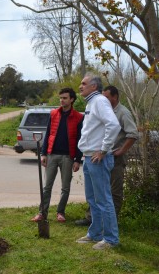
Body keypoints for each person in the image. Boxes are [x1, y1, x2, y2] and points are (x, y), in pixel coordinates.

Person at [75, 85, 138, 226]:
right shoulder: (101, 108)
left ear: (115, 97)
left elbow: (133, 134)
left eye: (107, 97)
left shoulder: (123, 112)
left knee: (113, 191)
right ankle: (92, 219)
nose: (104, 99)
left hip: (114, 156)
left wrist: (121, 150)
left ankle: (111, 222)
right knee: (96, 191)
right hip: (99, 156)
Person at [76, 73, 121, 250]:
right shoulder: (91, 103)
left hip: (98, 159)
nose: (80, 86)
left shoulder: (100, 101)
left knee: (103, 200)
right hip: (88, 157)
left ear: (94, 86)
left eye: (84, 83)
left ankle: (111, 239)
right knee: (93, 199)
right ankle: (95, 234)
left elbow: (114, 125)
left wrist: (103, 150)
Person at [30, 88, 84, 223]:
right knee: (47, 186)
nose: (62, 100)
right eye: (61, 98)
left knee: (65, 187)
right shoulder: (54, 113)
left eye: (65, 98)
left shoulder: (78, 117)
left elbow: (80, 139)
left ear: (71, 99)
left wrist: (77, 159)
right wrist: (43, 153)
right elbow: (48, 133)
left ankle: (60, 212)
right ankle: (42, 212)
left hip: (68, 157)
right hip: (52, 155)